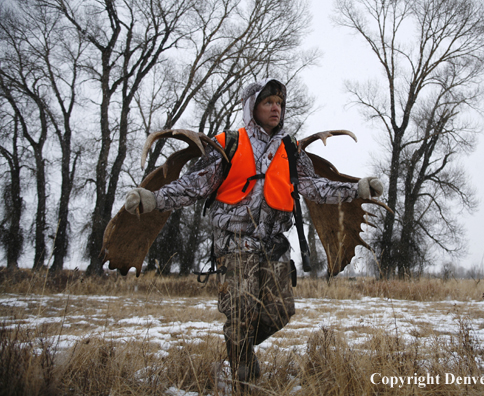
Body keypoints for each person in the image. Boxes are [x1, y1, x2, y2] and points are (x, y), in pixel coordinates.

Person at [123, 79, 383, 389]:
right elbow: (194, 186)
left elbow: (314, 188)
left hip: (274, 247)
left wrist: (356, 189)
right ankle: (243, 381)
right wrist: (154, 199)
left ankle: (238, 345)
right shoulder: (228, 144)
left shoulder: (290, 149)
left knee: (280, 313)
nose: (276, 107)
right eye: (268, 102)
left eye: (279, 103)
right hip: (234, 245)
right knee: (242, 313)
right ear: (252, 107)